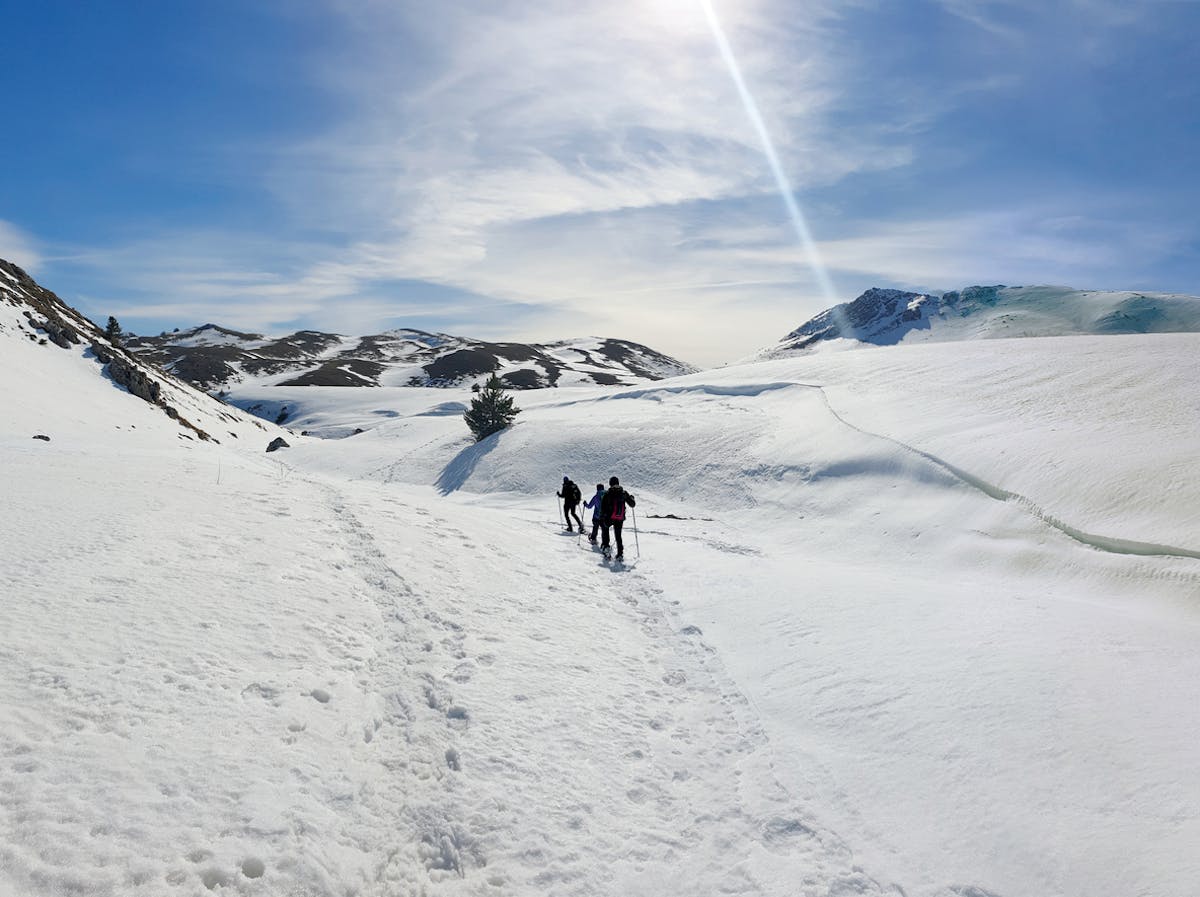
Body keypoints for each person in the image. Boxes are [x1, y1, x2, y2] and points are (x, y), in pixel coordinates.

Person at [599, 475, 636, 560]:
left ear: (610, 483)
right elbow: (632, 504)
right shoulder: (623, 493)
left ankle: (607, 547)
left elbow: (603, 507)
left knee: (605, 529)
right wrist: (632, 498)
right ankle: (620, 554)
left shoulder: (608, 493)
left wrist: (602, 517)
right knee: (618, 535)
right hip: (620, 518)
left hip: (609, 517)